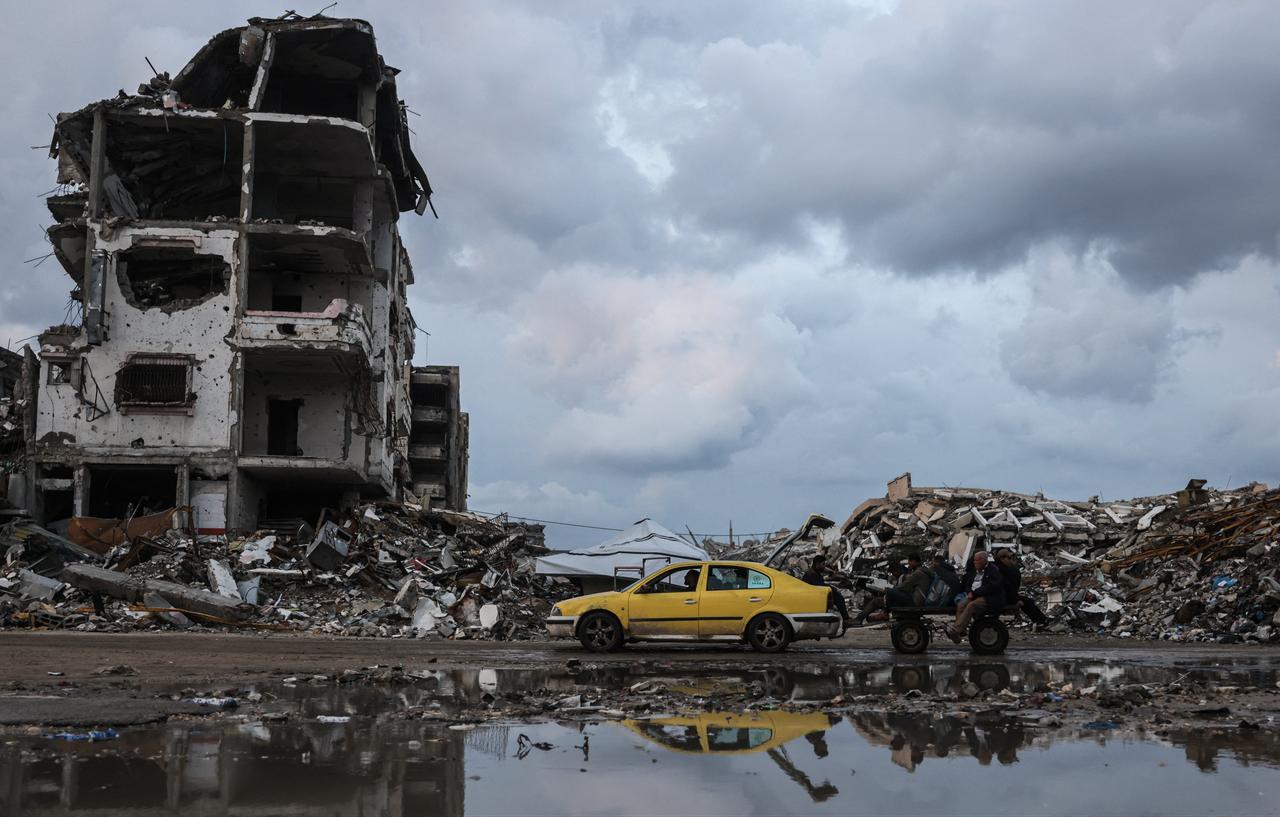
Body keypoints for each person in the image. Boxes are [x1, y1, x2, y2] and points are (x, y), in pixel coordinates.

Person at [945, 550, 1003, 642]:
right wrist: (969, 592)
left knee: (971, 606)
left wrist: (976, 593)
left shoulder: (993, 570)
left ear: (984, 561)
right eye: (974, 560)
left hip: (988, 597)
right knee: (961, 605)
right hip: (974, 595)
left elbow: (992, 586)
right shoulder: (974, 571)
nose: (974, 562)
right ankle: (961, 631)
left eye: (977, 560)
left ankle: (956, 630)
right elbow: (968, 584)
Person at [854, 555, 931, 624]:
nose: (909, 564)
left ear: (914, 561)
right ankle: (861, 618)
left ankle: (884, 614)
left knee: (889, 592)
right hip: (915, 598)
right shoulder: (922, 572)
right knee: (879, 599)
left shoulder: (918, 573)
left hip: (915, 601)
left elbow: (903, 587)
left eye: (910, 562)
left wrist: (890, 591)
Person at [994, 549, 1049, 627]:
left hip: (1001, 596)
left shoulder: (997, 568)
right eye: (1009, 558)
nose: (1011, 560)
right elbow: (1008, 587)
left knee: (1026, 601)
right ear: (1002, 559)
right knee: (1027, 602)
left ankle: (1040, 621)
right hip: (1002, 598)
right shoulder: (1004, 570)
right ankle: (1042, 621)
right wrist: (1015, 600)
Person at [802, 555, 850, 623]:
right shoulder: (812, 574)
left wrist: (832, 572)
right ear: (817, 564)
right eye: (823, 564)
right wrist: (834, 588)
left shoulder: (814, 571)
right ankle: (846, 619)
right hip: (813, 596)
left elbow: (825, 571)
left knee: (836, 594)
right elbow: (821, 586)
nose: (824, 566)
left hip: (815, 593)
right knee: (838, 597)